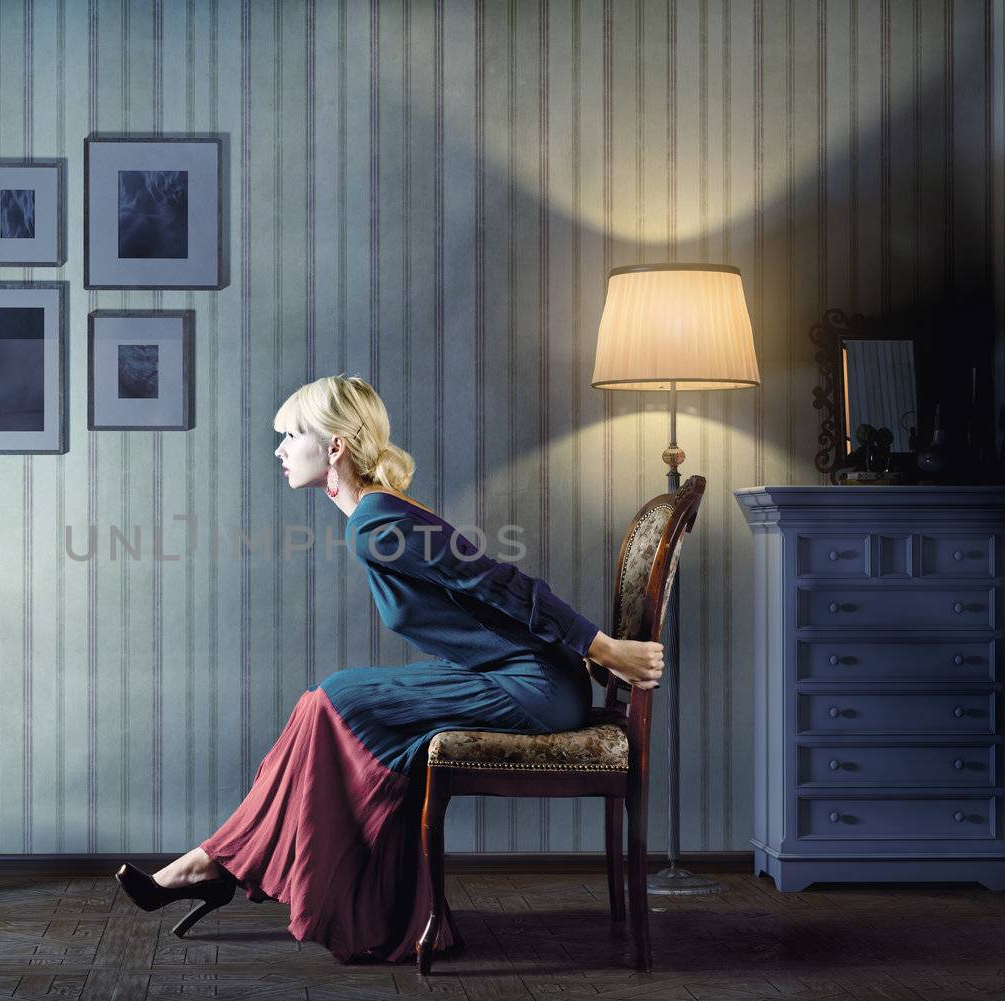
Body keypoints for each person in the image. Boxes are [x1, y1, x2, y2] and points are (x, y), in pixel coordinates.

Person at [114, 374, 664, 963]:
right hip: (521, 678)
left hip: (532, 688)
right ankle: (220, 863)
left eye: (291, 435)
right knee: (326, 707)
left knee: (331, 700)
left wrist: (602, 648)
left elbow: (502, 584)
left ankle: (214, 865)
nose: (278, 449)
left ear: (334, 448)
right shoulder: (378, 515)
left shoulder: (378, 524)